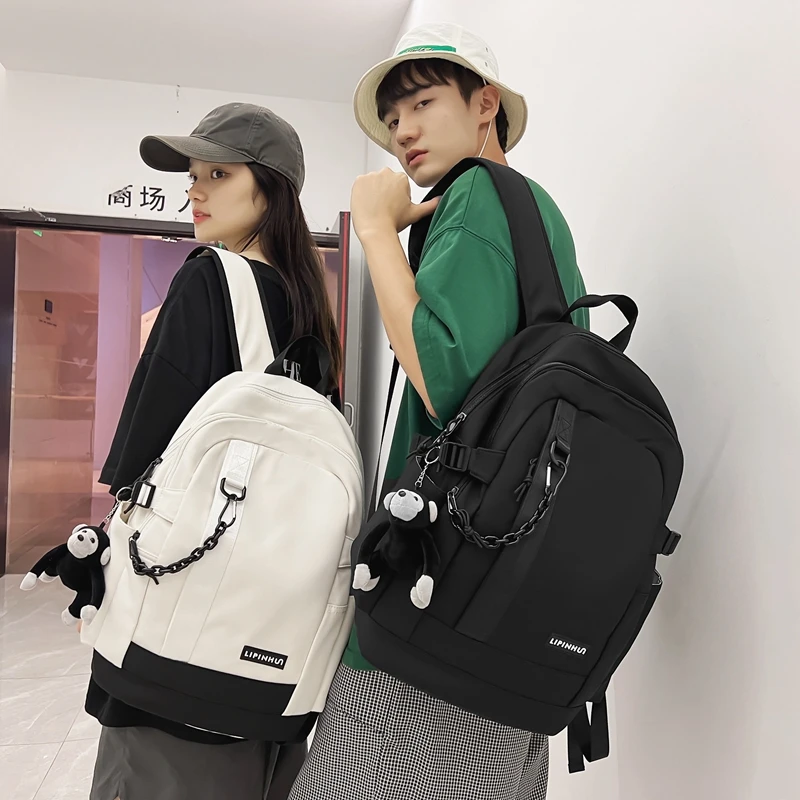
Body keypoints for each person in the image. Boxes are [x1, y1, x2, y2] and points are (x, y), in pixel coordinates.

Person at [288, 23, 590, 800]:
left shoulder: (478, 195)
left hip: (432, 611)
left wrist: (374, 228)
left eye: (422, 103)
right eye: (393, 118)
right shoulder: (540, 217)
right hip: (501, 609)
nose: (402, 131)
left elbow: (446, 380)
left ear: (484, 104)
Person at [84, 102, 341, 800]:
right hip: (271, 648)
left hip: (178, 642)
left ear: (271, 190)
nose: (194, 191)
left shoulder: (208, 279)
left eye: (218, 175)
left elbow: (145, 456)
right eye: (193, 176)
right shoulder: (308, 311)